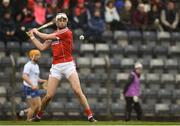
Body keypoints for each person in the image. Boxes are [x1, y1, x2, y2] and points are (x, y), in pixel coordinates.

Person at [27, 13, 97, 122]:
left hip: (68, 64)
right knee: (48, 96)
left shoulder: (66, 32)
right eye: (60, 20)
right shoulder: (54, 34)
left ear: (66, 21)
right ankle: (38, 117)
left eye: (64, 20)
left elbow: (44, 36)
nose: (62, 21)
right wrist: (32, 36)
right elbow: (41, 47)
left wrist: (36, 32)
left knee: (77, 91)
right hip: (56, 67)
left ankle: (90, 116)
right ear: (57, 22)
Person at [16, 49, 47, 121]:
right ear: (31, 56)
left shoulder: (36, 66)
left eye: (39, 55)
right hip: (29, 88)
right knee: (34, 106)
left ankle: (22, 112)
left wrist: (43, 80)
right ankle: (28, 121)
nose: (38, 56)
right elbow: (24, 76)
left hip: (34, 88)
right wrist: (32, 85)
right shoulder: (28, 65)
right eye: (36, 55)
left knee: (39, 107)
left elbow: (36, 78)